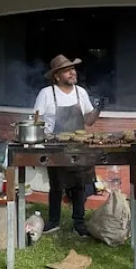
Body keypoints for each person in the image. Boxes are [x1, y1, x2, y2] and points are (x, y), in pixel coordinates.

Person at [33, 54, 102, 236]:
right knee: (56, 184)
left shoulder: (81, 92)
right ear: (57, 76)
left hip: (77, 145)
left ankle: (78, 223)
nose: (73, 73)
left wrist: (99, 108)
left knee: (79, 184)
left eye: (73, 69)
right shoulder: (47, 94)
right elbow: (36, 119)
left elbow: (88, 120)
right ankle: (54, 221)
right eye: (67, 71)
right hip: (54, 144)